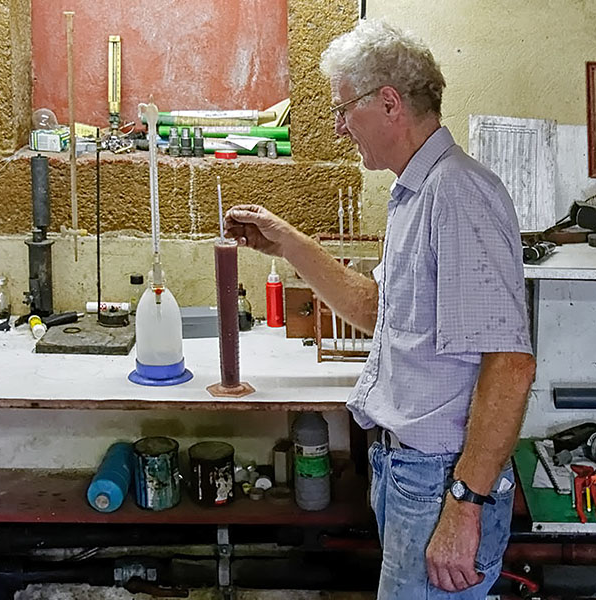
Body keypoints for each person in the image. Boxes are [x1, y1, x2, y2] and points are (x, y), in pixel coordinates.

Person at [224, 19, 535, 600]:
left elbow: (510, 366)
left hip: (442, 478)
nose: (340, 128)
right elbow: (378, 311)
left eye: (345, 110)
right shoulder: (416, 194)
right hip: (411, 475)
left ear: (389, 102)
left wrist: (464, 507)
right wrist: (288, 242)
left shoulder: (457, 194)